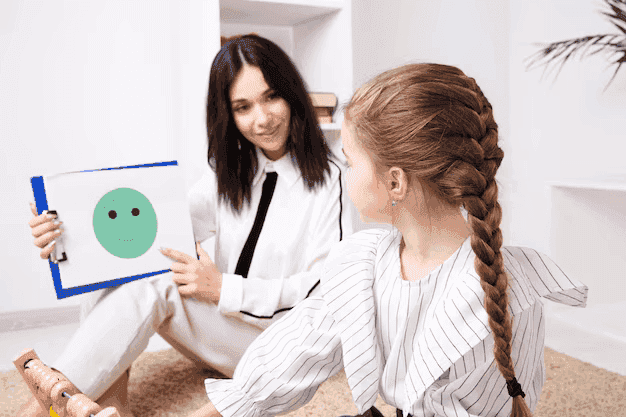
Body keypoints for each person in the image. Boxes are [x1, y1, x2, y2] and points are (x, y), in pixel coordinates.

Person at [186, 63, 588, 417]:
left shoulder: (501, 289)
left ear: (395, 182)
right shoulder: (366, 262)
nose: (344, 172)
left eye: (350, 160)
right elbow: (300, 346)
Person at [20, 34, 351, 417]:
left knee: (156, 283)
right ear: (228, 114)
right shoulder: (233, 170)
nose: (262, 119)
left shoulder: (334, 179)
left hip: (285, 349)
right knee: (117, 267)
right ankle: (110, 405)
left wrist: (224, 288)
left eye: (271, 97)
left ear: (292, 94)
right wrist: (63, 233)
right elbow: (152, 231)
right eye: (243, 107)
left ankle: (42, 410)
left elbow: (322, 291)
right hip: (227, 331)